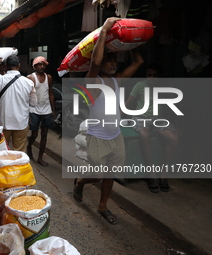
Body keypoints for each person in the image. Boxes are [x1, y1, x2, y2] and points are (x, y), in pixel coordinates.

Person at [72, 17, 144, 225]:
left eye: (115, 60)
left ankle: (103, 206)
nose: (113, 63)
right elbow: (94, 62)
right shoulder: (94, 81)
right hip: (97, 136)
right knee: (98, 174)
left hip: (116, 135)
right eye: (109, 60)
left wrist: (132, 42)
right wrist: (104, 30)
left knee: (110, 174)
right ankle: (80, 182)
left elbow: (138, 62)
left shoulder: (116, 79)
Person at [125, 63, 179, 193]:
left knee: (174, 139)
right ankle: (152, 172)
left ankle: (163, 173)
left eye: (155, 75)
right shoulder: (139, 85)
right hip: (140, 117)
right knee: (145, 135)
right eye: (149, 75)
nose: (151, 78)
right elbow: (127, 105)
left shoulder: (162, 87)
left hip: (156, 120)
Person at [0, 55, 37, 152]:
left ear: (6, 66)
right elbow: (34, 103)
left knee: (2, 151)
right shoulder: (28, 82)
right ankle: (17, 167)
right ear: (19, 65)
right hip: (21, 122)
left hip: (3, 122)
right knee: (19, 152)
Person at [26, 56, 55, 167]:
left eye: (43, 64)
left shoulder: (49, 77)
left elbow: (50, 93)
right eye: (39, 64)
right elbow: (27, 95)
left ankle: (40, 157)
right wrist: (27, 111)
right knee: (34, 134)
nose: (42, 67)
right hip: (34, 109)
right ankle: (29, 146)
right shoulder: (30, 78)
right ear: (35, 66)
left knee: (44, 134)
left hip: (46, 109)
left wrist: (53, 109)